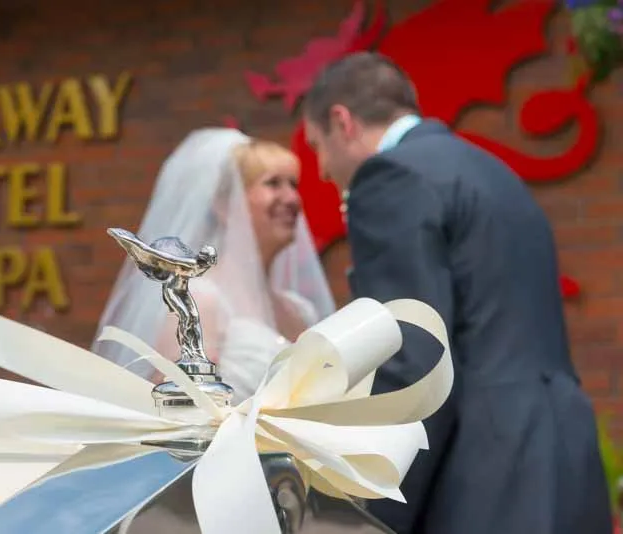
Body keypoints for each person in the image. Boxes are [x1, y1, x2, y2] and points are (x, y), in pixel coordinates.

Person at [301, 52, 612, 534]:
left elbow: (414, 357)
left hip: (485, 477)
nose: (321, 170)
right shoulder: (493, 172)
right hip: (564, 460)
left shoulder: (389, 179)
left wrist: (367, 510)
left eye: (317, 146)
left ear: (342, 121)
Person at [93, 128, 336, 403]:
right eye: (273, 184)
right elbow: (177, 408)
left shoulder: (300, 310)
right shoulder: (198, 300)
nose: (292, 199)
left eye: (293, 184)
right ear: (224, 203)